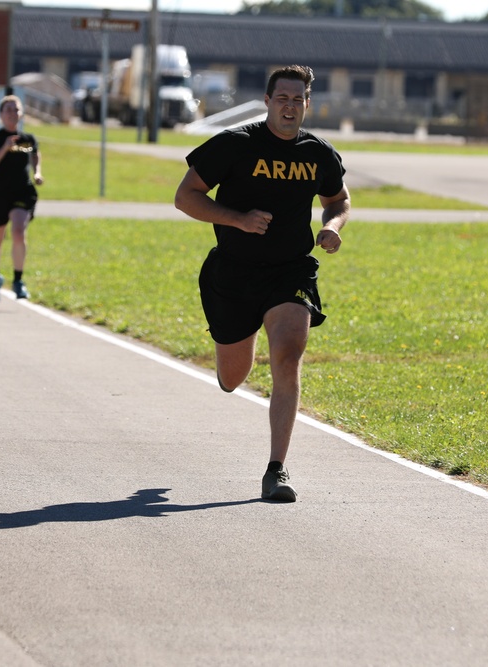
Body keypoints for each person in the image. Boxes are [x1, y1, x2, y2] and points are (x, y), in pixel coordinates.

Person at [174, 65, 351, 503]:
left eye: (298, 100)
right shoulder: (235, 144)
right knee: (234, 378)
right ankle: (231, 353)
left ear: (307, 104)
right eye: (282, 99)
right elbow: (186, 197)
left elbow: (339, 199)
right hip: (233, 272)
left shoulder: (318, 154)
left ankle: (276, 470)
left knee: (288, 357)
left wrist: (334, 225)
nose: (290, 107)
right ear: (268, 101)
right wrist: (238, 219)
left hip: (290, 271)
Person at [0, 94, 43, 306]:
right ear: (0, 115)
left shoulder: (26, 140)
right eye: (7, 110)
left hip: (21, 193)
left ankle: (18, 280)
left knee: (18, 231)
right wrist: (4, 148)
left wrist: (37, 172)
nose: (12, 113)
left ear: (21, 114)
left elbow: (34, 155)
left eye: (15, 109)